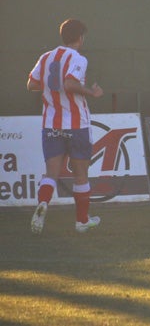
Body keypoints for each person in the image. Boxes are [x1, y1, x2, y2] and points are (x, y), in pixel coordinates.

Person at [27, 18, 104, 234]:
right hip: (77, 125)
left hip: (51, 124)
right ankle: (82, 221)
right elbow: (70, 84)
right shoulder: (78, 58)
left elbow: (31, 84)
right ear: (80, 38)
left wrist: (51, 88)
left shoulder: (46, 57)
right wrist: (91, 92)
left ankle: (43, 203)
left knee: (51, 174)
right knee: (81, 175)